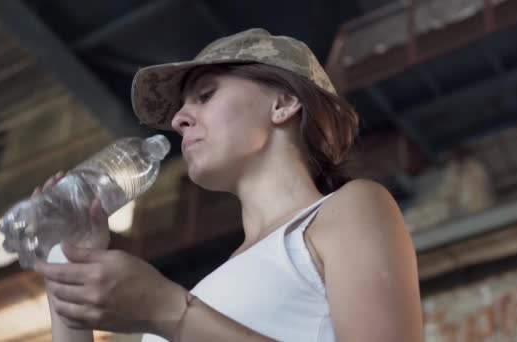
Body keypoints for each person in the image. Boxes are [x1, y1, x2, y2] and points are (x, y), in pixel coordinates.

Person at [33, 28, 423, 341]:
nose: (179, 120)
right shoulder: (203, 292)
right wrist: (63, 270)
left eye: (205, 94)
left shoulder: (351, 209)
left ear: (283, 102)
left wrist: (168, 312)